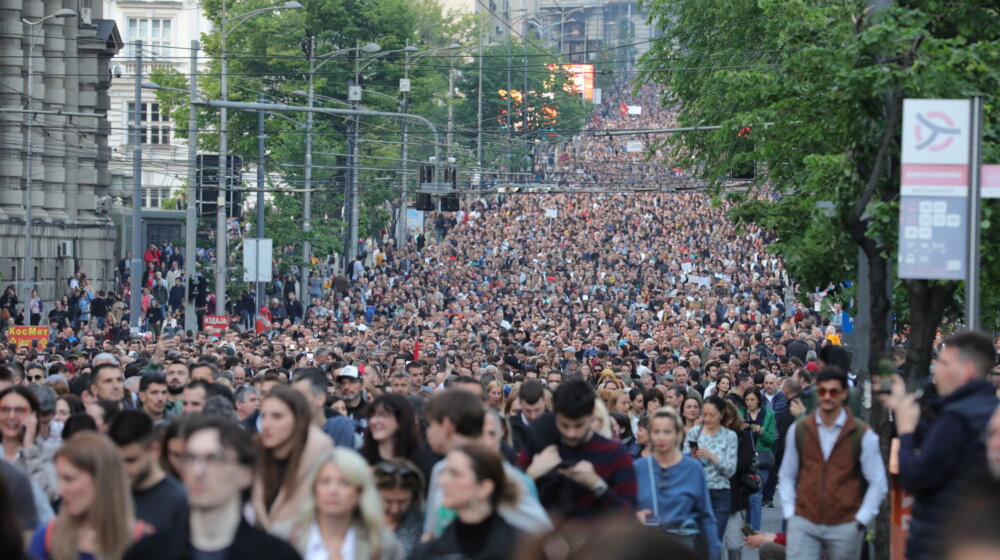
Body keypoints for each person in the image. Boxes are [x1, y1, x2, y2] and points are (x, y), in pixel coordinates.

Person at [883, 331, 999, 560]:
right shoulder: (987, 409)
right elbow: (946, 450)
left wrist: (906, 431)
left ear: (965, 371)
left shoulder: (956, 418)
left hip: (940, 542)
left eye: (944, 363)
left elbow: (915, 477)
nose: (937, 371)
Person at [124, 415, 302, 560]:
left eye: (214, 459)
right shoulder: (146, 553)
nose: (198, 470)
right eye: (190, 458)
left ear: (246, 473)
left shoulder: (277, 555)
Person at [779, 367, 887, 560]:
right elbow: (787, 475)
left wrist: (860, 520)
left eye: (833, 391)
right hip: (804, 522)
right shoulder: (800, 429)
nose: (827, 396)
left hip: (845, 524)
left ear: (844, 394)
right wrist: (790, 512)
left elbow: (878, 482)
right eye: (822, 391)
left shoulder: (862, 434)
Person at [523, 378, 637, 519]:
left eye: (578, 426)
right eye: (564, 425)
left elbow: (630, 516)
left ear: (591, 417)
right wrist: (532, 475)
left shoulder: (614, 453)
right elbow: (509, 502)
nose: (571, 433)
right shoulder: (539, 445)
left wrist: (596, 484)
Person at [29, 432, 152, 560]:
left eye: (69, 479)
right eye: (59, 479)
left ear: (101, 480)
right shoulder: (47, 537)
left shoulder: (143, 541)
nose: (60, 490)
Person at [410, 444, 522, 560]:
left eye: (454, 474)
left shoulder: (523, 548)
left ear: (484, 488)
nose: (441, 481)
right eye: (444, 472)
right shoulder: (428, 553)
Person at [634, 407, 720, 558]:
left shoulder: (693, 468)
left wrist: (714, 552)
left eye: (667, 432)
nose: (661, 437)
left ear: (678, 435)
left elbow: (705, 516)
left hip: (683, 546)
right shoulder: (639, 468)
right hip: (648, 546)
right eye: (656, 432)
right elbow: (624, 509)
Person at [289, 447, 402, 560]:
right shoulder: (285, 537)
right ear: (314, 489)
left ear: (359, 491)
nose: (333, 491)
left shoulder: (384, 545)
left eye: (344, 483)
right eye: (325, 482)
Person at [251, 386, 333, 539]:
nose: (267, 424)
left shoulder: (321, 460)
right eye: (263, 416)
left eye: (277, 416)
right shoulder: (254, 455)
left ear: (299, 420)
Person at [108, 410, 188, 533]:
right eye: (116, 461)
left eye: (131, 460)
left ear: (153, 449)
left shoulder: (180, 501)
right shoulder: (107, 495)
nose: (123, 469)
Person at [685, 395, 737, 544]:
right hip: (698, 492)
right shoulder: (695, 432)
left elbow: (730, 470)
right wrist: (691, 458)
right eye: (705, 414)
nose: (707, 419)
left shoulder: (730, 436)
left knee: (714, 541)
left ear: (721, 414)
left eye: (712, 415)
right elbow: (683, 462)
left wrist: (712, 456)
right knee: (698, 541)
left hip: (720, 493)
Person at [0, 386, 58, 502]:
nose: (11, 416)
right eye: (5, 410)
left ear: (34, 416)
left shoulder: (51, 453)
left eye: (19, 410)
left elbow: (48, 496)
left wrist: (29, 448)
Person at [741, 386, 776, 531]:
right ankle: (747, 527)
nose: (749, 402)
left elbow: (771, 440)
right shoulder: (740, 413)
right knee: (747, 497)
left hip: (762, 460)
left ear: (759, 400)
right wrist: (740, 428)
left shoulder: (768, 414)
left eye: (752, 399)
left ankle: (754, 529)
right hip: (745, 460)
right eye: (747, 399)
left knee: (755, 497)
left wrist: (761, 431)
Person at [374, 459, 426, 555]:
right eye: (388, 501)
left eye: (402, 502)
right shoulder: (358, 519)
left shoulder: (423, 525)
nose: (395, 509)